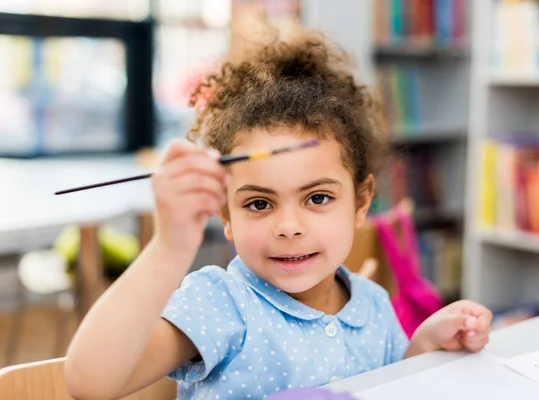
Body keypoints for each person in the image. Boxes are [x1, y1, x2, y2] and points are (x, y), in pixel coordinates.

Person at [65, 31, 492, 400]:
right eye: (259, 204)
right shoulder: (221, 304)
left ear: (362, 202)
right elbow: (92, 382)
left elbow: (384, 388)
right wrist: (169, 246)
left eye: (318, 198)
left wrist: (423, 347)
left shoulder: (373, 305)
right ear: (226, 214)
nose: (289, 226)